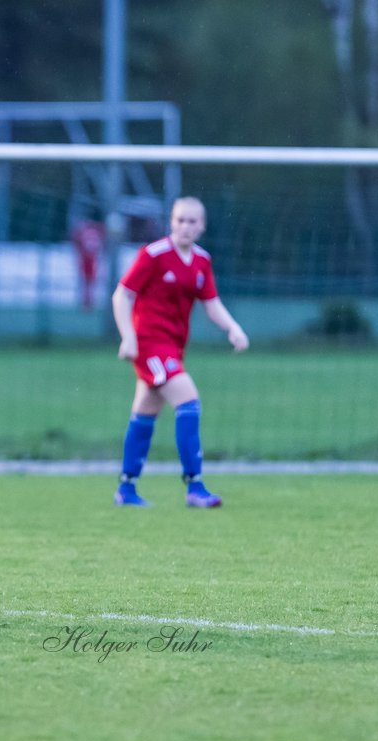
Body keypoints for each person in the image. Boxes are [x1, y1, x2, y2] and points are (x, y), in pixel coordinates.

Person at [111, 196, 249, 508]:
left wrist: (232, 327)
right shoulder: (154, 254)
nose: (185, 226)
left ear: (202, 226)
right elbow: (122, 295)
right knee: (188, 401)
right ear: (171, 222)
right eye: (179, 220)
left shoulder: (201, 260)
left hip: (173, 346)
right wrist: (128, 338)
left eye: (192, 221)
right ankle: (194, 486)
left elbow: (210, 302)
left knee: (146, 411)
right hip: (149, 344)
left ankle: (126, 488)